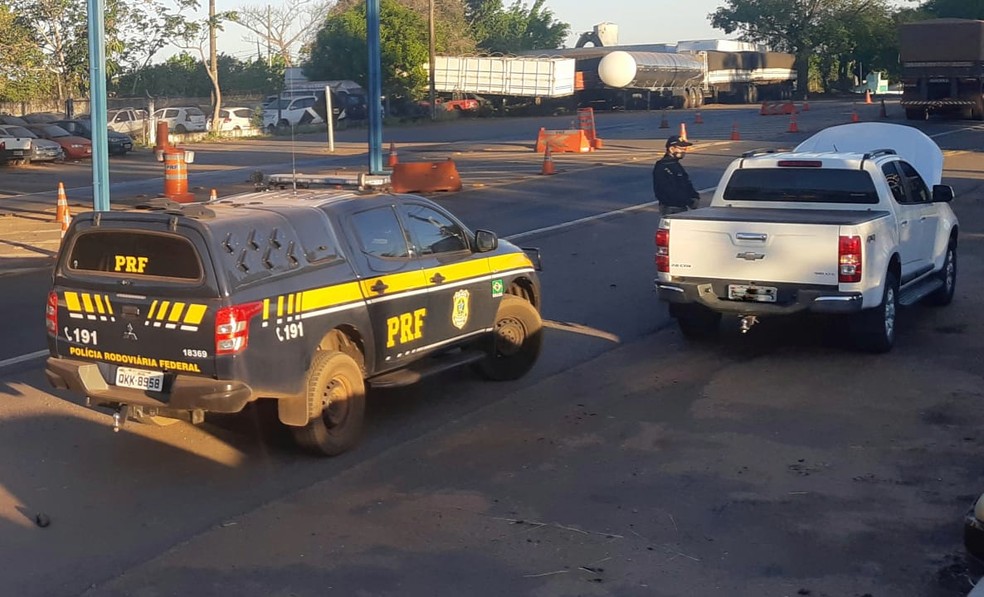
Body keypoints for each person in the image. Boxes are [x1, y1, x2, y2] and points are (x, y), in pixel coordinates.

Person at [652, 135, 700, 216]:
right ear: (671, 149)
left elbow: (685, 183)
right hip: (671, 208)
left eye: (685, 149)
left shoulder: (675, 164)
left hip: (681, 206)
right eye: (681, 149)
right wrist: (689, 201)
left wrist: (695, 196)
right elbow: (668, 190)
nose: (683, 151)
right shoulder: (663, 166)